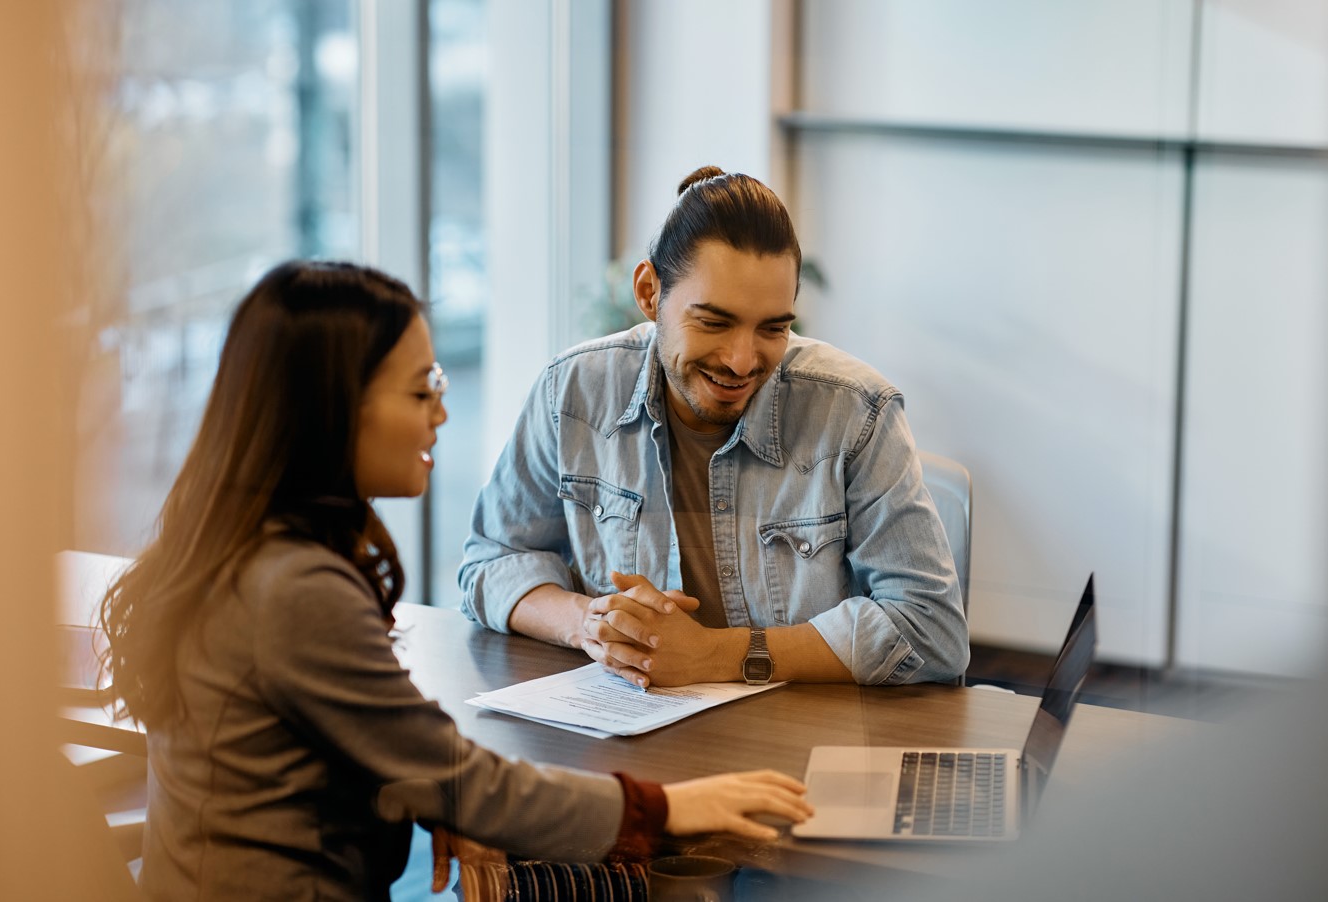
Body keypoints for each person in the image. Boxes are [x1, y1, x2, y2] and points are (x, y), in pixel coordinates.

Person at [99, 260, 811, 901]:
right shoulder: (295, 588)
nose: (442, 409)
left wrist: (436, 795)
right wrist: (667, 809)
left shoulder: (248, 552)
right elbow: (455, 773)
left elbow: (397, 758)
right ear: (333, 410)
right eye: (421, 389)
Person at [460, 166, 969, 689]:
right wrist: (588, 624)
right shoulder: (572, 393)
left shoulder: (857, 412)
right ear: (649, 292)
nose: (742, 361)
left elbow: (932, 629)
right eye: (714, 322)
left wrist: (720, 655)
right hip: (635, 738)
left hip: (801, 740)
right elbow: (491, 561)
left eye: (773, 327)